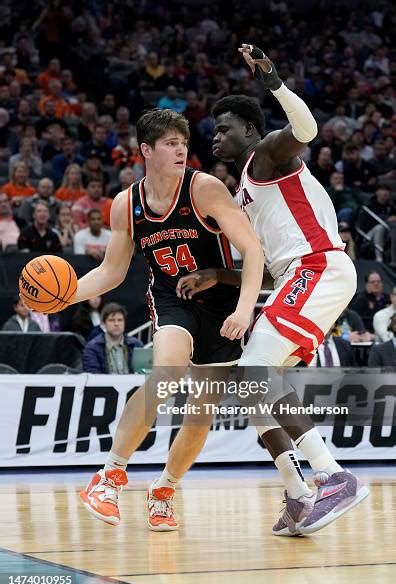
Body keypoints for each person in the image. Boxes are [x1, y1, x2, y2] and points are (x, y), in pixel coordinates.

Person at [155, 45, 368, 537]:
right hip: (298, 275)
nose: (217, 137)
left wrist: (272, 79)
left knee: (253, 370)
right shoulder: (243, 196)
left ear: (250, 131)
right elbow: (268, 271)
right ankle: (298, 493)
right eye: (215, 130)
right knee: (250, 388)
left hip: (319, 265)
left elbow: (308, 131)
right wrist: (218, 277)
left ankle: (333, 476)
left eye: (225, 128)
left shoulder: (268, 154)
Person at [73, 108, 263, 527]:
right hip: (171, 298)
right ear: (146, 150)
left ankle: (164, 490)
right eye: (171, 144)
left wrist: (245, 308)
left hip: (221, 303)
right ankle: (108, 477)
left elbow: (252, 250)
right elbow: (111, 271)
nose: (182, 151)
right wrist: (68, 293)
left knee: (200, 413)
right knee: (167, 372)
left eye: (184, 143)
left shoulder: (205, 189)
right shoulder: (126, 204)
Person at [82, 302, 143, 373]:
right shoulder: (92, 348)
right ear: (103, 324)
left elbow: (143, 372)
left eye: (120, 320)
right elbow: (92, 377)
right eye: (111, 320)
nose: (116, 324)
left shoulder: (136, 345)